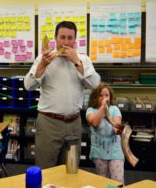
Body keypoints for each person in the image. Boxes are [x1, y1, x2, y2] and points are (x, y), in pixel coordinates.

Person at [24, 21, 101, 169]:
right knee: (46, 168)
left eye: (70, 38)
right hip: (49, 123)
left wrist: (77, 62)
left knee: (70, 169)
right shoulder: (44, 58)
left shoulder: (83, 59)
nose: (66, 42)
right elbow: (28, 85)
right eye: (62, 37)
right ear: (55, 38)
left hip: (74, 124)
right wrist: (42, 66)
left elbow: (95, 84)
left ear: (75, 40)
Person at [85, 83, 124, 183]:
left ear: (110, 97)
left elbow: (116, 125)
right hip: (99, 153)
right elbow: (94, 122)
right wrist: (103, 108)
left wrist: (118, 130)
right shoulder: (91, 110)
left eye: (107, 95)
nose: (104, 98)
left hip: (115, 152)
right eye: (101, 95)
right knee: (103, 181)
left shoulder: (114, 109)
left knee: (117, 180)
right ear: (95, 97)